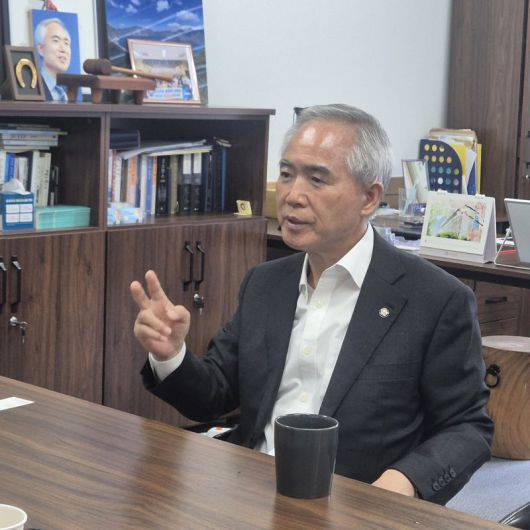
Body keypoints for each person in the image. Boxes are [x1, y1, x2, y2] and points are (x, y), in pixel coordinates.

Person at [131, 104, 493, 505]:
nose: (292, 196)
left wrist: (404, 482)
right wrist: (171, 355)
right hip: (250, 491)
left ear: (369, 197)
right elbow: (214, 395)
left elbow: (467, 427)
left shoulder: (436, 299)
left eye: (316, 179)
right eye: (287, 174)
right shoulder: (266, 283)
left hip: (356, 505)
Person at [34, 17, 71, 101]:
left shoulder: (71, 90)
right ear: (41, 49)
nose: (63, 49)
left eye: (66, 43)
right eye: (56, 40)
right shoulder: (31, 87)